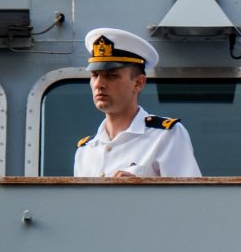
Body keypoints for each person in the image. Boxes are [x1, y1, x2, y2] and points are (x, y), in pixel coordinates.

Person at [73, 27, 201, 178]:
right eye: (95, 75)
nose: (99, 84)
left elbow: (189, 198)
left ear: (138, 83)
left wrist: (140, 192)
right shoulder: (85, 150)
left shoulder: (166, 136)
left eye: (112, 75)